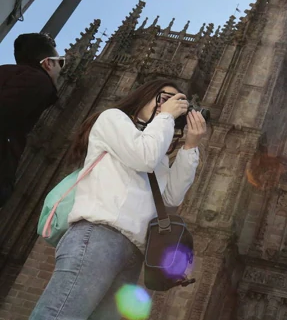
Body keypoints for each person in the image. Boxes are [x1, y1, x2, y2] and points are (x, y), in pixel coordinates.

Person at [30, 79, 207, 319]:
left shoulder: (155, 146)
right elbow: (143, 156)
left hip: (134, 251)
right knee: (60, 314)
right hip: (99, 236)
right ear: (145, 95)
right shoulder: (113, 119)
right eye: (165, 99)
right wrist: (165, 118)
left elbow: (171, 197)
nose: (169, 107)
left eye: (176, 104)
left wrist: (190, 147)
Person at [0, 33, 63, 207]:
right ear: (48, 63)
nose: (61, 68)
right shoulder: (38, 82)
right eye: (60, 62)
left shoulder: (6, 71)